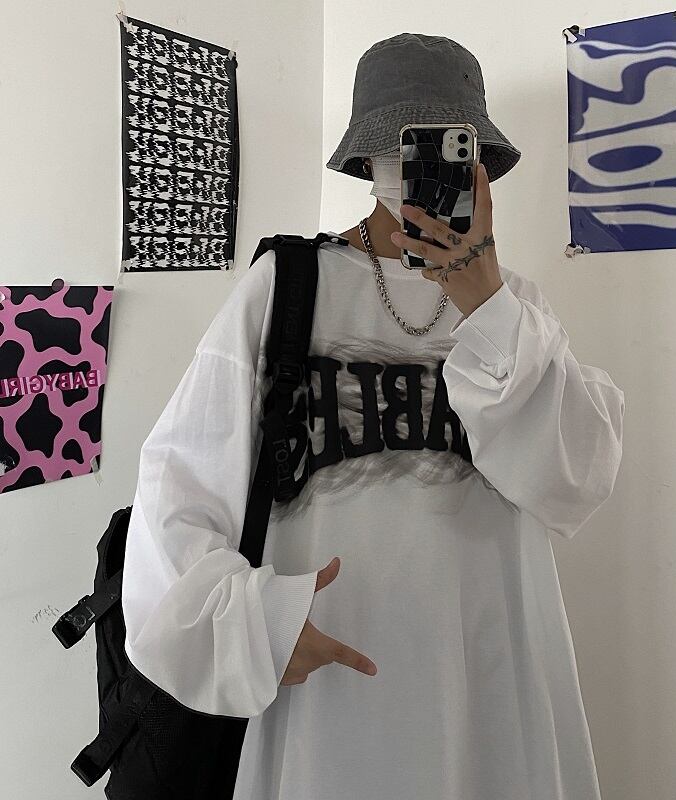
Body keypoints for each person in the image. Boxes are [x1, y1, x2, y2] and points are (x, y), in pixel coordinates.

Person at [121, 32, 625, 800]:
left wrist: (486, 303)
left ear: (477, 164)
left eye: (449, 148)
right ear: (368, 160)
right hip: (332, 681)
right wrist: (248, 626)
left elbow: (575, 479)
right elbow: (177, 486)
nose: (421, 170)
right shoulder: (287, 286)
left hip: (495, 676)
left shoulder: (517, 305)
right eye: (403, 146)